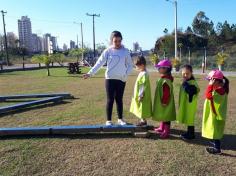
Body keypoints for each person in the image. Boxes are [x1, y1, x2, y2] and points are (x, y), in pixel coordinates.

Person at [83, 31, 133, 126]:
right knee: (110, 100)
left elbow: (130, 65)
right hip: (109, 79)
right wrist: (90, 73)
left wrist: (125, 75)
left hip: (121, 79)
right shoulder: (107, 51)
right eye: (115, 41)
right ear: (111, 41)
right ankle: (109, 120)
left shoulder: (125, 51)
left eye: (119, 41)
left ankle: (120, 119)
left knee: (119, 99)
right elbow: (99, 63)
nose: (117, 43)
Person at [202, 70, 229, 154]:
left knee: (215, 130)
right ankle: (214, 142)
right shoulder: (220, 88)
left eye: (210, 80)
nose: (209, 83)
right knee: (214, 129)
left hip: (216, 114)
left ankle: (217, 149)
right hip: (216, 113)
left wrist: (210, 86)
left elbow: (208, 96)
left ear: (216, 81)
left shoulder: (219, 91)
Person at [152, 59, 176, 139]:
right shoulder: (163, 78)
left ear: (166, 69)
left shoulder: (166, 80)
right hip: (162, 101)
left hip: (165, 101)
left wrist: (165, 101)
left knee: (166, 116)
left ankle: (166, 131)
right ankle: (161, 127)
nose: (158, 69)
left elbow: (166, 92)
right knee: (163, 114)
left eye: (160, 67)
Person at [177, 64, 200, 140]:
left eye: (187, 73)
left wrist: (185, 85)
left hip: (190, 105)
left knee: (190, 119)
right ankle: (189, 132)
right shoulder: (187, 81)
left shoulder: (192, 82)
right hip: (186, 104)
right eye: (184, 73)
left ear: (191, 73)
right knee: (188, 119)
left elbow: (192, 91)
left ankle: (191, 134)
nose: (185, 75)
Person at [130, 56, 152, 126]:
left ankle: (143, 120)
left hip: (142, 95)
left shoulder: (144, 74)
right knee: (141, 107)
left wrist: (140, 95)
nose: (136, 68)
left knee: (142, 107)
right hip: (141, 94)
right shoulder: (142, 72)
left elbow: (142, 85)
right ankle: (143, 120)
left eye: (137, 66)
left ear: (142, 65)